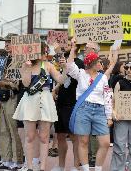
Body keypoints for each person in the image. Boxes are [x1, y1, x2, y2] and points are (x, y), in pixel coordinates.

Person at [13, 42, 67, 171]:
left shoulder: (48, 65)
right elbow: (26, 84)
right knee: (30, 136)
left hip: (46, 99)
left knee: (44, 137)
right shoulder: (25, 65)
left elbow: (61, 80)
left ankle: (42, 166)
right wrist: (26, 68)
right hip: (30, 100)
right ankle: (30, 166)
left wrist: (65, 68)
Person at [64, 43, 113, 171]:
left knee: (105, 143)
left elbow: (108, 97)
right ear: (92, 63)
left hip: (99, 110)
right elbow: (69, 66)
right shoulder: (81, 74)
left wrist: (109, 116)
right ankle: (86, 169)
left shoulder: (103, 78)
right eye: (98, 62)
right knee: (83, 142)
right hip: (83, 109)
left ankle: (98, 168)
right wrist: (73, 50)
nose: (100, 64)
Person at [51, 38, 84, 171]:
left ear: (77, 48)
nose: (69, 46)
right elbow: (60, 77)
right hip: (61, 102)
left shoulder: (80, 63)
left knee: (74, 136)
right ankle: (61, 165)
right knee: (60, 136)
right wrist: (55, 88)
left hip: (73, 103)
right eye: (69, 44)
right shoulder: (60, 61)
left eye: (72, 44)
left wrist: (66, 65)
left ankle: (76, 166)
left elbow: (76, 77)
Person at [0, 34, 24, 170]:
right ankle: (6, 160)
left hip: (13, 97)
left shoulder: (21, 60)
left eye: (9, 42)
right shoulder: (4, 59)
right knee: (3, 130)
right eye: (5, 42)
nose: (6, 44)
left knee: (13, 129)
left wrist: (1, 81)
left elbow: (16, 84)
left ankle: (17, 161)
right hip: (2, 97)